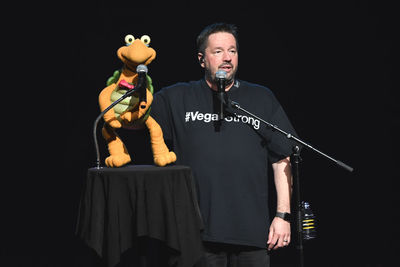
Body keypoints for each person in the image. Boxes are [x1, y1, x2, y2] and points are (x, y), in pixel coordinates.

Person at [150, 22, 297, 267]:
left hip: (252, 235)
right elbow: (136, 123)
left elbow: (282, 158)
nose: (227, 57)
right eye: (218, 51)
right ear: (202, 59)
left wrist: (283, 215)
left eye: (232, 51)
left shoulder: (260, 98)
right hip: (195, 235)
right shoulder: (176, 97)